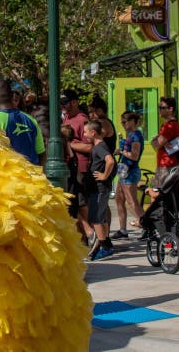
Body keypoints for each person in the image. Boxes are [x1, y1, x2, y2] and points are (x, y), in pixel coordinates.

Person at [0, 80, 46, 166]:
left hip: (7, 178)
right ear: (11, 95)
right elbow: (41, 153)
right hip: (33, 177)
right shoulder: (31, 120)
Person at [62, 89, 94, 244]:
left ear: (74, 102)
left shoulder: (82, 120)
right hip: (69, 167)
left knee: (81, 204)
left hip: (81, 168)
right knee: (72, 204)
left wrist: (69, 144)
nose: (63, 106)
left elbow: (90, 147)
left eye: (65, 103)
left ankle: (94, 236)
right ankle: (84, 237)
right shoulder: (66, 118)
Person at [83, 119, 116, 261]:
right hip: (96, 188)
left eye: (85, 132)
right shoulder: (97, 146)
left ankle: (105, 247)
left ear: (93, 132)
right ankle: (105, 244)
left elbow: (110, 161)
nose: (84, 135)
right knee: (97, 218)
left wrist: (104, 175)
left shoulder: (100, 146)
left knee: (96, 218)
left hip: (100, 188)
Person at [111, 111, 145, 239]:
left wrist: (122, 151)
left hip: (131, 171)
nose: (123, 125)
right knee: (119, 199)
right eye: (122, 122)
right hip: (124, 171)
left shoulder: (136, 136)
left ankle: (147, 226)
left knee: (132, 201)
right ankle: (123, 229)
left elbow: (134, 156)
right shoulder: (131, 135)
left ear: (132, 121)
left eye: (125, 122)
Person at [150, 96, 179, 187]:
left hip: (167, 165)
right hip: (167, 164)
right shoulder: (168, 125)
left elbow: (157, 145)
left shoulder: (169, 126)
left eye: (162, 108)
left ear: (170, 109)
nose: (159, 110)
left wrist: (156, 140)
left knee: (160, 194)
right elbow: (158, 143)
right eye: (159, 107)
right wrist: (158, 140)